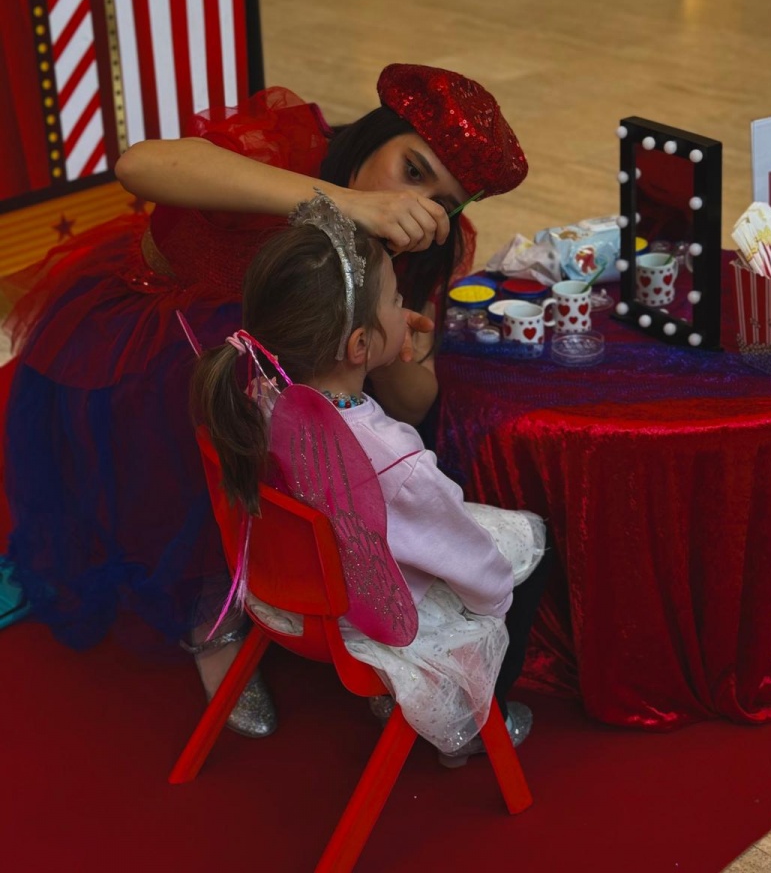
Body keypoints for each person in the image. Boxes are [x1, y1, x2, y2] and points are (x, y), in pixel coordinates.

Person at [3, 64, 527, 738]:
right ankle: (210, 610)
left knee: (346, 433)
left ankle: (311, 583)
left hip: (277, 364)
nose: (422, 202)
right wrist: (345, 203)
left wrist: (394, 336)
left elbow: (417, 401)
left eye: (446, 200)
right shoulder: (294, 150)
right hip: (159, 339)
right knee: (211, 399)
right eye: (413, 169)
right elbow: (142, 163)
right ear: (380, 136)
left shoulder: (417, 238)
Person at [192, 199, 547, 759]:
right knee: (532, 541)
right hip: (371, 618)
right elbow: (456, 545)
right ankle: (477, 722)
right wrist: (495, 597)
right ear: (359, 345)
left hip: (281, 593)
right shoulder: (391, 454)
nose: (404, 308)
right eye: (396, 299)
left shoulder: (254, 397)